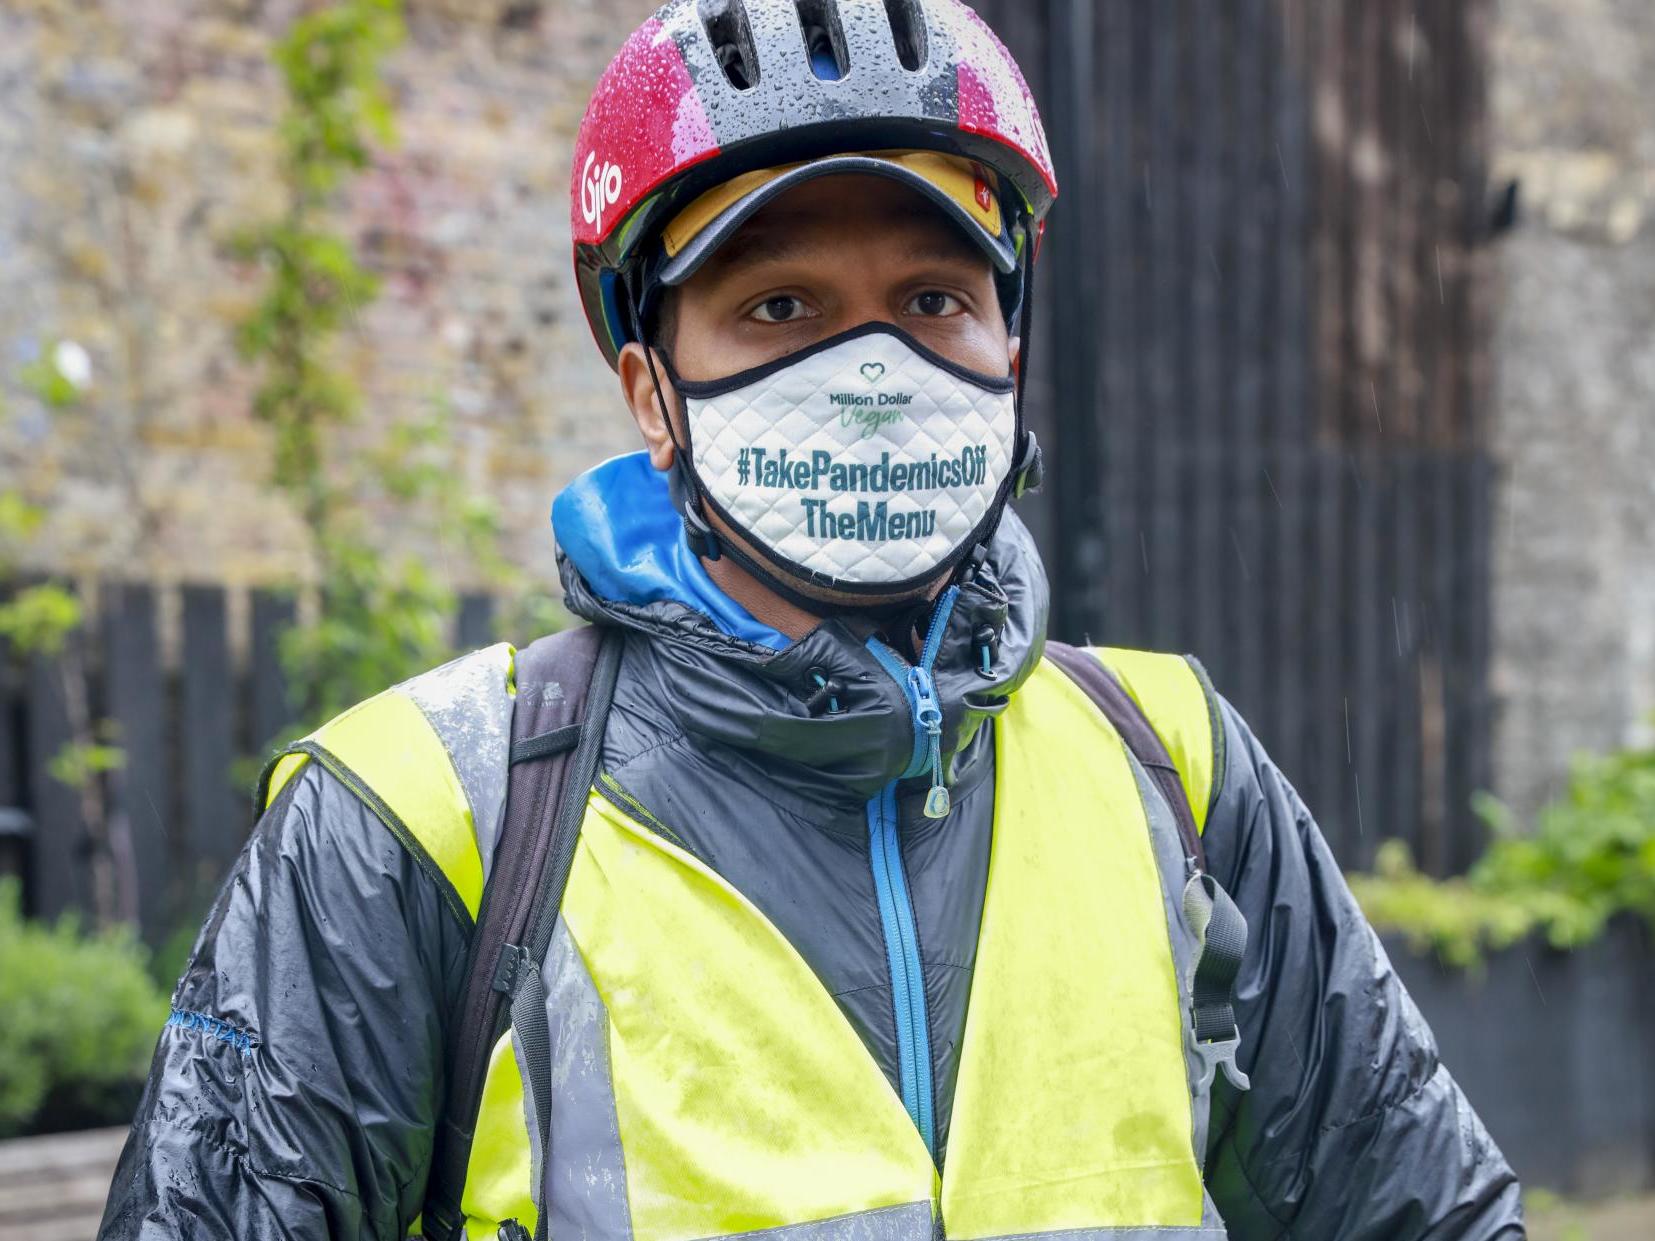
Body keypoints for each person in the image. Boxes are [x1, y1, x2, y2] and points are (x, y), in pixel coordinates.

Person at [100, 2, 1524, 1238]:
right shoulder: (422, 820)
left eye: (931, 299)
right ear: (651, 391)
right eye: (780, 305)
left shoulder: (1176, 772)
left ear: (1008, 352)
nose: (872, 367)